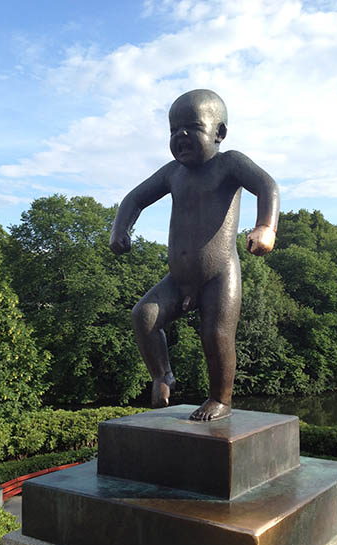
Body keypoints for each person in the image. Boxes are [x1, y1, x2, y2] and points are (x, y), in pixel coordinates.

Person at [110, 89, 279, 421]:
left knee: (215, 335)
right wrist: (120, 229)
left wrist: (265, 227)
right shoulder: (173, 172)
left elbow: (267, 185)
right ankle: (162, 375)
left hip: (219, 275)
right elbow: (134, 198)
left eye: (192, 127)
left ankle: (220, 399)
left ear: (219, 133)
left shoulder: (229, 164)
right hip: (178, 279)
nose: (180, 135)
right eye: (173, 130)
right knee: (143, 316)